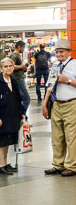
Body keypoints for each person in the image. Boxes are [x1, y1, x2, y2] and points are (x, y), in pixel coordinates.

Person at [42, 39, 76, 177]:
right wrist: (45, 103)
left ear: (69, 52)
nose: (59, 54)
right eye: (57, 52)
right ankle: (58, 164)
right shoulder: (55, 66)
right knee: (57, 137)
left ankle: (72, 166)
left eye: (62, 51)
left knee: (71, 136)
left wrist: (67, 80)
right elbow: (50, 85)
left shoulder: (74, 64)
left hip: (71, 104)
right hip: (56, 104)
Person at [0, 58, 25, 175]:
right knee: (0, 142)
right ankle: (0, 166)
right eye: (6, 66)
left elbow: (18, 97)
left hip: (11, 117)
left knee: (6, 141)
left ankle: (5, 164)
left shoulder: (12, 79)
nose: (8, 68)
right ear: (1, 68)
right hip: (0, 118)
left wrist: (22, 111)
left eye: (10, 66)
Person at [10, 40, 31, 113]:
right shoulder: (14, 55)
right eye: (23, 48)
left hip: (19, 78)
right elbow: (11, 66)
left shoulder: (18, 55)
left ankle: (21, 115)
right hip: (17, 79)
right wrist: (21, 66)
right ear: (19, 47)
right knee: (26, 98)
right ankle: (22, 115)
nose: (24, 49)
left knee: (20, 98)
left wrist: (24, 67)